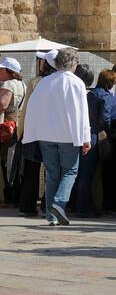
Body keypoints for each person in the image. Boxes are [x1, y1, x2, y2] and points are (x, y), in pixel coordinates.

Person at [20, 46, 90, 226]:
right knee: (70, 170)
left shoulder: (44, 82)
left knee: (51, 174)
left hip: (45, 135)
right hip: (68, 135)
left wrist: (32, 133)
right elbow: (82, 113)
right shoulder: (76, 83)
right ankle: (59, 204)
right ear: (73, 63)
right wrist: (85, 138)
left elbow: (34, 108)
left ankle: (51, 216)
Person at [15, 52, 56, 215]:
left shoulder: (36, 83)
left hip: (34, 132)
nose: (40, 63)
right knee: (51, 170)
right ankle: (48, 204)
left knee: (31, 170)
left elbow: (26, 110)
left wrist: (20, 132)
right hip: (53, 132)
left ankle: (27, 206)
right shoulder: (59, 82)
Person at [74, 69, 114, 216]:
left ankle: (78, 204)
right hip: (95, 136)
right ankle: (83, 208)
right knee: (89, 174)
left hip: (83, 133)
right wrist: (108, 132)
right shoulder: (105, 96)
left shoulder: (90, 94)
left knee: (82, 173)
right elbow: (106, 118)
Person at [0, 56, 26, 205]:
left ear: (9, 71)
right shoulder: (22, 84)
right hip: (18, 125)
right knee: (15, 162)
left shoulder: (8, 84)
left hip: (7, 126)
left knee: (6, 162)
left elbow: (3, 105)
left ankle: (9, 196)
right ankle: (15, 196)